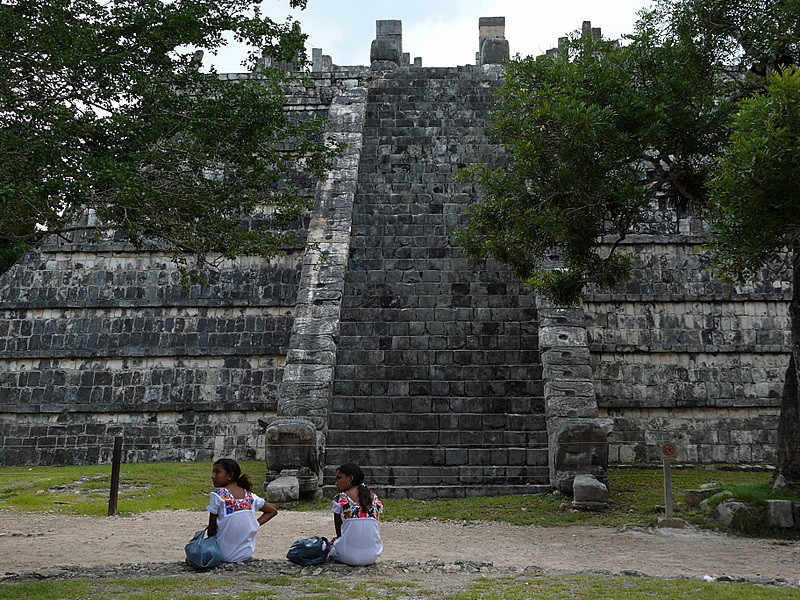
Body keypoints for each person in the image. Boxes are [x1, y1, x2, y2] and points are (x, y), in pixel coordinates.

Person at [206, 458, 278, 563]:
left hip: (223, 554)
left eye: (217, 472)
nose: (213, 476)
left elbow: (211, 530)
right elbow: (272, 511)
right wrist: (253, 524)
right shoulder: (249, 496)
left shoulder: (218, 494)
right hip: (246, 554)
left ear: (229, 474)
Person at [329, 463, 383, 566]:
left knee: (331, 544)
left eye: (339, 478)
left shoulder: (341, 499)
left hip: (348, 556)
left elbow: (339, 532)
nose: (336, 483)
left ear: (350, 478)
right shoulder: (375, 499)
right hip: (372, 555)